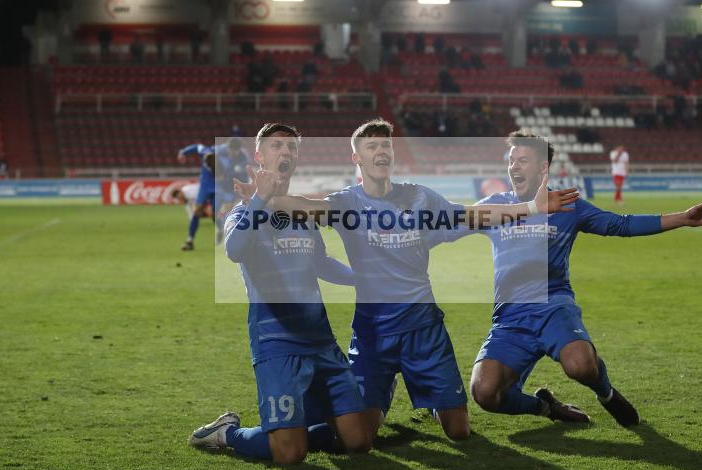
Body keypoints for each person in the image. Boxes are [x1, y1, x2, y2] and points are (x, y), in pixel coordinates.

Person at [234, 119, 580, 443]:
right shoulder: (346, 203)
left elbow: (472, 214)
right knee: (362, 436)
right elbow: (307, 207)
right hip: (373, 335)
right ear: (357, 157)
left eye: (386, 146)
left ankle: (431, 396)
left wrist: (531, 208)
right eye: (371, 147)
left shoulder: (420, 197)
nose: (381, 152)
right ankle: (384, 390)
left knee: (459, 431)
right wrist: (263, 198)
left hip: (423, 331)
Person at [433, 129, 702, 427]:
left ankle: (607, 394)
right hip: (511, 317)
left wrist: (683, 218)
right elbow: (449, 225)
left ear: (543, 168)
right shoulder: (496, 205)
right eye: (511, 160)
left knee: (581, 366)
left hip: (554, 308)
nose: (514, 167)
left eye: (522, 160)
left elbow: (620, 224)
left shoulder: (567, 205)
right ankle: (546, 407)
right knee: (485, 393)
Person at [189, 123, 371, 464]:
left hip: (320, 340)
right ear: (259, 156)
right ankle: (226, 432)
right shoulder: (242, 212)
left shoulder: (301, 213)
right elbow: (235, 249)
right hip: (276, 342)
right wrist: (259, 198)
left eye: (291, 148)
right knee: (290, 453)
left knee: (359, 441)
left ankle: (302, 422)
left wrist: (364, 279)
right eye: (276, 146)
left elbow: (322, 264)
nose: (285, 152)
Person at [176, 144, 216, 251]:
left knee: (214, 214)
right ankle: (190, 241)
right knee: (196, 212)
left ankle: (225, 237)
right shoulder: (205, 151)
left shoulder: (225, 158)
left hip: (217, 188)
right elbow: (197, 146)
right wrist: (183, 152)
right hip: (204, 188)